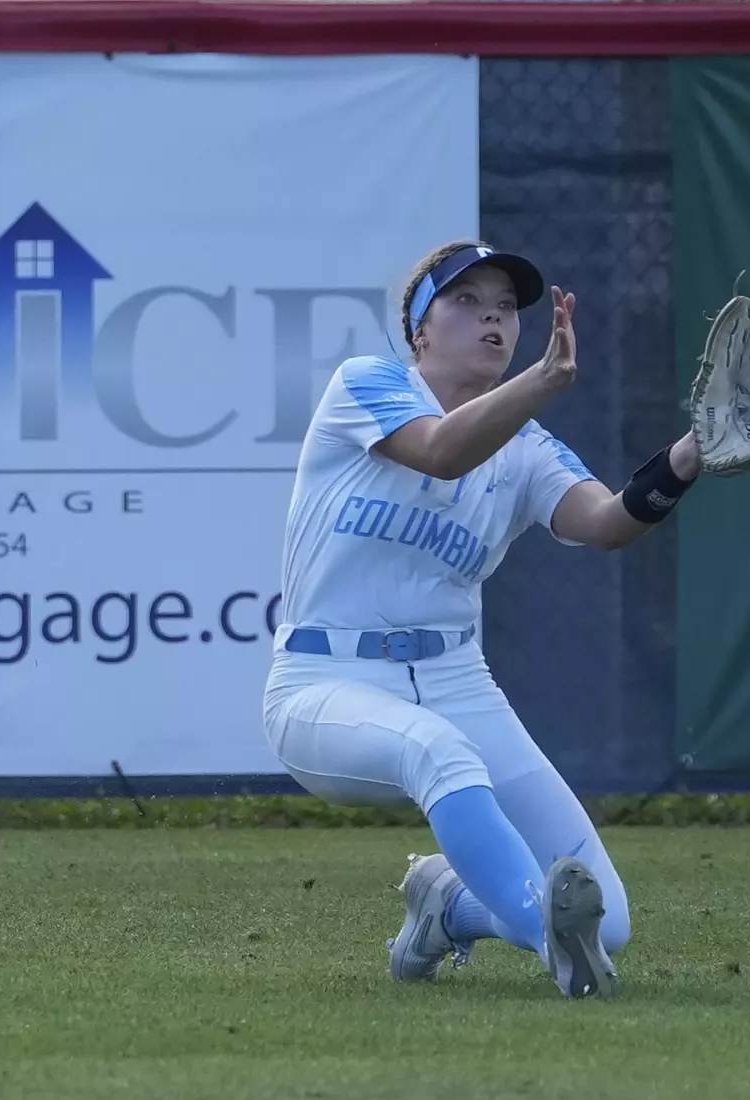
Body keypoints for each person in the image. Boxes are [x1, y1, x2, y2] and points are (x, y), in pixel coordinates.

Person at [261, 238, 704, 999]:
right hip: (323, 681)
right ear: (420, 330)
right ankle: (554, 947)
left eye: (506, 307)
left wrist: (690, 457)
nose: (493, 318)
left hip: (455, 678)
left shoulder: (525, 448)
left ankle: (450, 910)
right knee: (438, 751)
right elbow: (439, 451)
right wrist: (538, 385)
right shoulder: (365, 385)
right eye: (466, 302)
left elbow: (607, 523)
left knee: (616, 922)